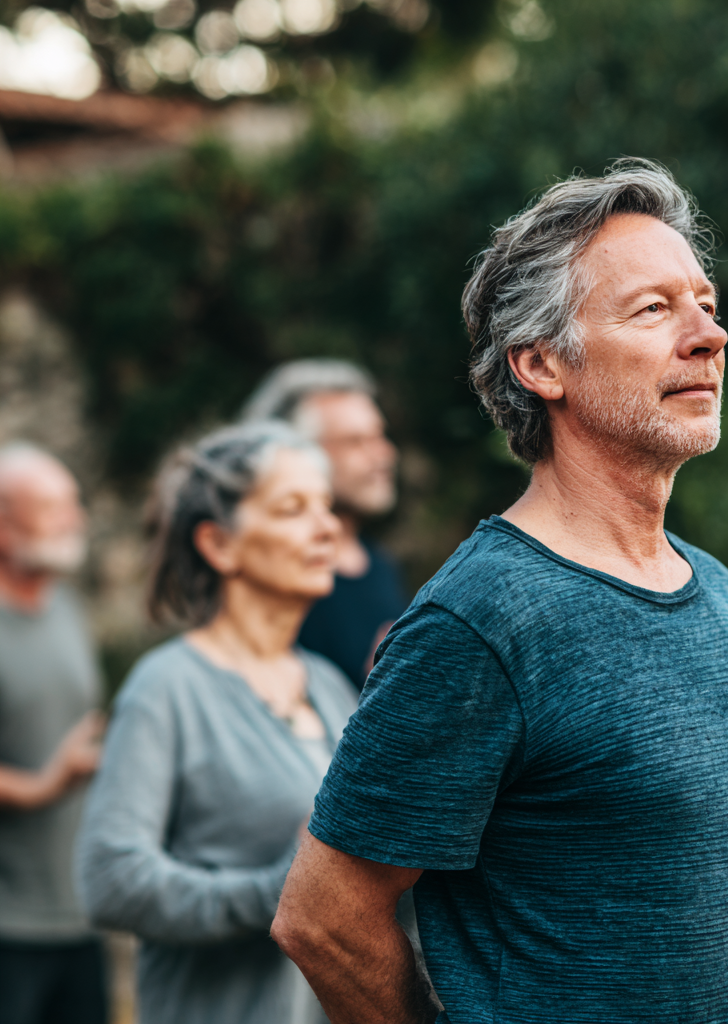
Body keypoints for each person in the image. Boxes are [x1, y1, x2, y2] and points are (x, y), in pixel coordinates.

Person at [271, 158, 728, 1024]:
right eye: (654, 309)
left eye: (705, 302)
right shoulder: (482, 619)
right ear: (542, 365)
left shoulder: (716, 588)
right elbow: (322, 921)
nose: (709, 334)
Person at [76, 422, 360, 1024]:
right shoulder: (168, 688)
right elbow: (111, 877)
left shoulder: (330, 686)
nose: (327, 527)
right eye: (292, 508)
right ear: (219, 544)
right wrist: (276, 893)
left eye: (327, 506)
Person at [0, 442, 106, 1024]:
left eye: (74, 503)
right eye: (53, 506)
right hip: (9, 924)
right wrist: (42, 785)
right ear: (3, 524)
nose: (77, 520)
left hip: (78, 914)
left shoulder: (67, 606)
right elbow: (50, 769)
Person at [242, 360, 406, 688]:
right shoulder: (272, 579)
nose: (384, 454)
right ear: (296, 453)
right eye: (356, 441)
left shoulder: (381, 566)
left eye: (380, 435)